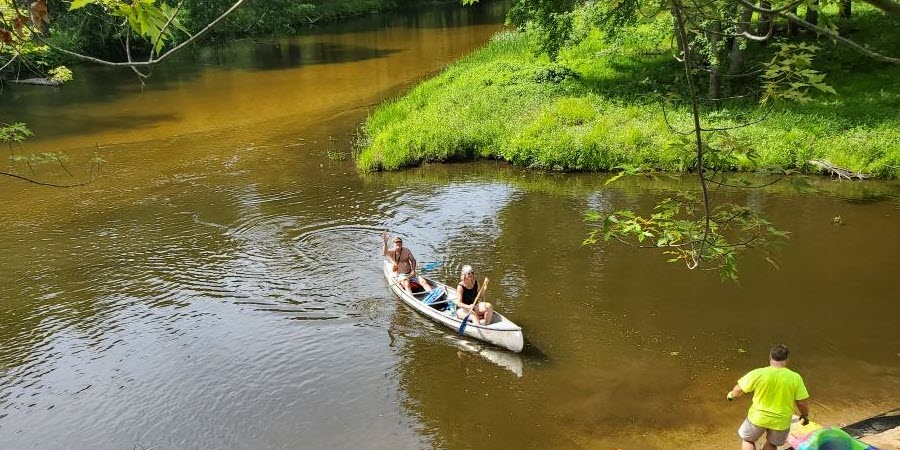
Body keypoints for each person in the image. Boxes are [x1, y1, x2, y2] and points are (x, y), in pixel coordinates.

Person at [727, 344, 810, 450]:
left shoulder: (759, 373)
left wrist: (731, 395)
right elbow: (802, 401)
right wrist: (805, 415)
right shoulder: (795, 378)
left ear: (770, 357)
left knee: (748, 440)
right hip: (781, 421)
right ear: (786, 359)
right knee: (771, 444)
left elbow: (738, 390)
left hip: (758, 418)